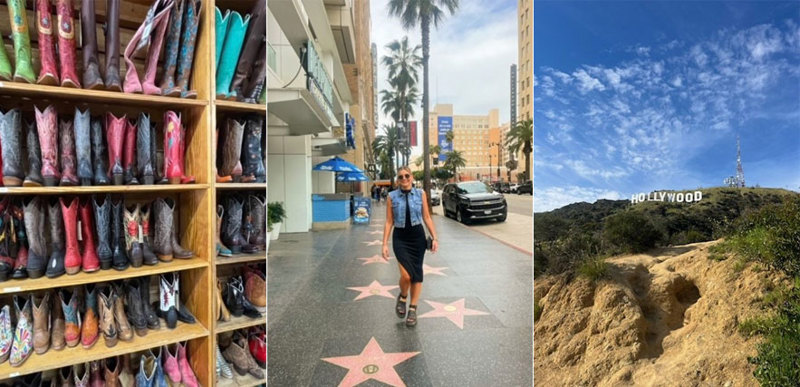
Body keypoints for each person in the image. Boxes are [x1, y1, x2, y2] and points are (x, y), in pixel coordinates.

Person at [382, 166, 439, 327]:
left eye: (407, 175)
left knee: (417, 274)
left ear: (412, 177)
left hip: (417, 238)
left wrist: (435, 237)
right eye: (401, 177)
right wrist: (384, 244)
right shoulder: (392, 197)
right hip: (400, 238)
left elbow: (427, 217)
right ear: (397, 180)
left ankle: (413, 309)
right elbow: (388, 221)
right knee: (406, 275)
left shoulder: (421, 194)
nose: (404, 179)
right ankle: (402, 296)